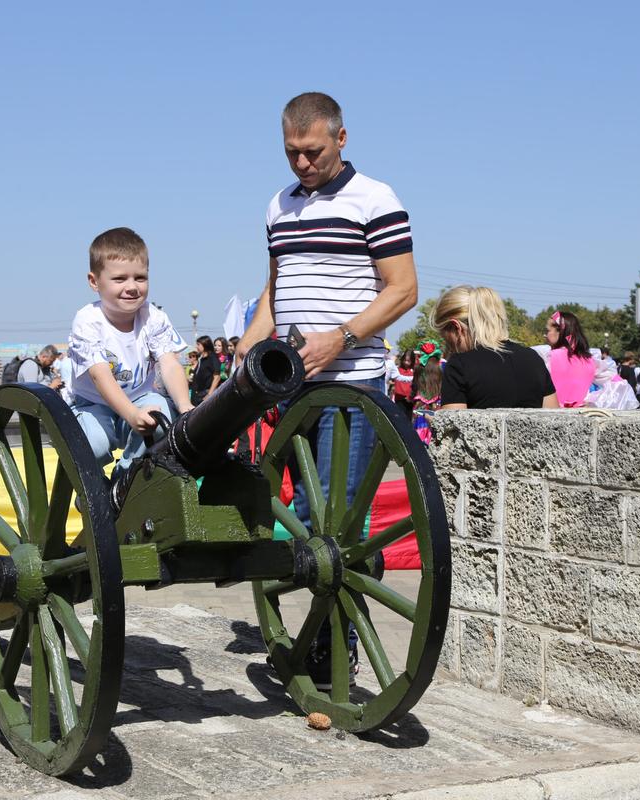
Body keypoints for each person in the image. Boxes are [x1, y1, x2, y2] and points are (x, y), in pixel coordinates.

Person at [235, 92, 418, 687]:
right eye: (291, 153)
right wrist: (247, 345)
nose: (302, 164)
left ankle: (333, 648)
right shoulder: (278, 206)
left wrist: (342, 336)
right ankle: (319, 642)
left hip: (352, 384)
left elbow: (403, 289)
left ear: (342, 139)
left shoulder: (376, 199)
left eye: (312, 151)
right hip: (293, 387)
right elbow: (275, 289)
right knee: (307, 520)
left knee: (337, 530)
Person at [68, 227, 193, 475]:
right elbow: (99, 374)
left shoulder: (153, 317)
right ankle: (94, 486)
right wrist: (131, 414)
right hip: (92, 403)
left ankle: (126, 474)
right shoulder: (88, 320)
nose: (132, 286)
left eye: (140, 277)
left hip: (140, 396)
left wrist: (186, 406)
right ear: (94, 282)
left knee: (163, 416)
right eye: (119, 279)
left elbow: (169, 364)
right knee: (95, 444)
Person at [434, 286, 558, 410]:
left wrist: (437, 422)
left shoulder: (459, 366)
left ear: (456, 327)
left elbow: (452, 427)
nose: (450, 348)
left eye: (447, 341)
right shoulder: (534, 359)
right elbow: (554, 420)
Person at [545, 311, 595, 408]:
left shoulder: (548, 357)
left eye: (547, 331)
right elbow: (616, 386)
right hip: (582, 417)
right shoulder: (590, 360)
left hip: (551, 417)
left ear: (559, 331)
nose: (545, 335)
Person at [410, 342, 442, 443]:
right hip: (437, 405)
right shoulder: (440, 368)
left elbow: (414, 386)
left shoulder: (419, 368)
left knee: (419, 437)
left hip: (420, 405)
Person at [189, 335, 218, 405]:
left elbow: (217, 377)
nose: (197, 347)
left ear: (205, 344)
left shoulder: (212, 358)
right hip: (196, 395)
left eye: (198, 345)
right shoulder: (201, 359)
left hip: (204, 394)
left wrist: (209, 394)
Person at [390, 349, 416, 419]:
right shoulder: (397, 370)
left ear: (412, 361)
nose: (406, 363)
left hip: (410, 400)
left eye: (408, 361)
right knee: (399, 418)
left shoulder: (414, 371)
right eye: (405, 360)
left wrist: (411, 396)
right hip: (399, 399)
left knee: (408, 419)